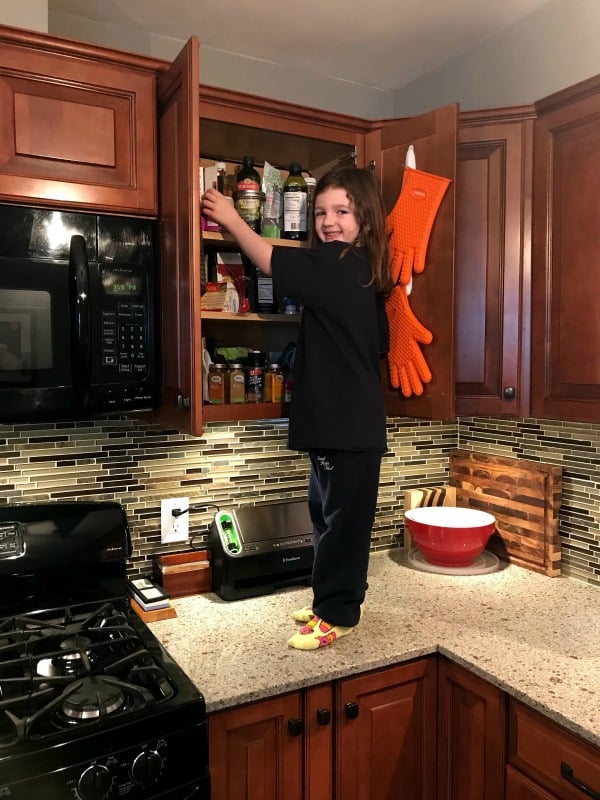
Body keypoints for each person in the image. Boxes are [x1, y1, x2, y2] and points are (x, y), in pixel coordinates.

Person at [201, 166, 392, 650]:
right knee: (327, 517)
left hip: (345, 426)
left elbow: (273, 261)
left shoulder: (341, 265)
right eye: (321, 212)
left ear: (366, 220)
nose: (329, 221)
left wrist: (231, 217)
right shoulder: (360, 271)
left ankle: (339, 614)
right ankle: (328, 599)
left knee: (342, 525)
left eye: (342, 212)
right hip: (344, 424)